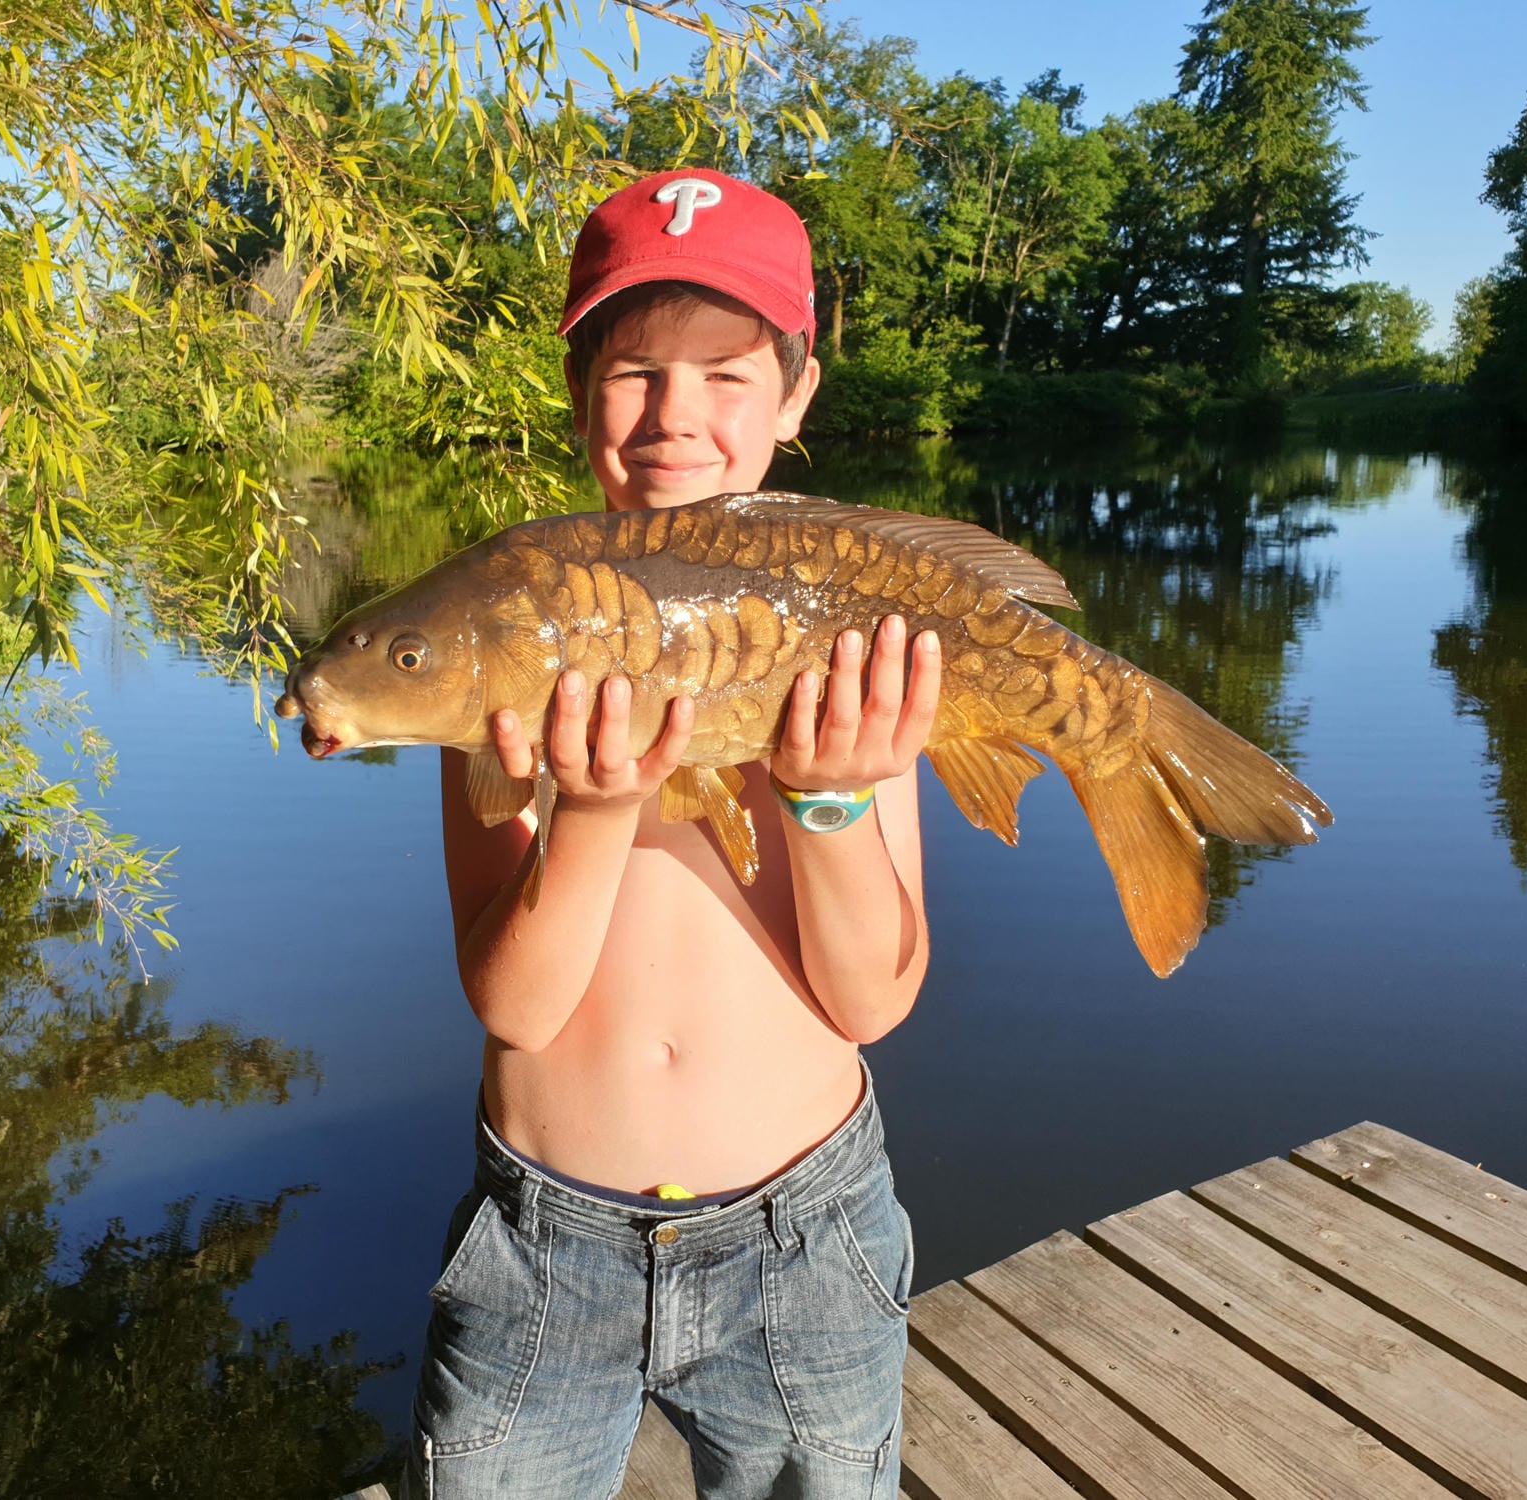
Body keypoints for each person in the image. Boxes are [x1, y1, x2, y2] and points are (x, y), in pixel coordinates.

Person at [407, 168, 941, 1500]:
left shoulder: (846, 629)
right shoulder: (507, 625)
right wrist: (591, 812)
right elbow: (516, 1007)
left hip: (808, 1242)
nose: (675, 418)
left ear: (798, 397)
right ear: (579, 384)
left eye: (726, 377)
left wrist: (827, 800)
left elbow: (871, 1000)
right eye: (635, 371)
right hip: (544, 1249)